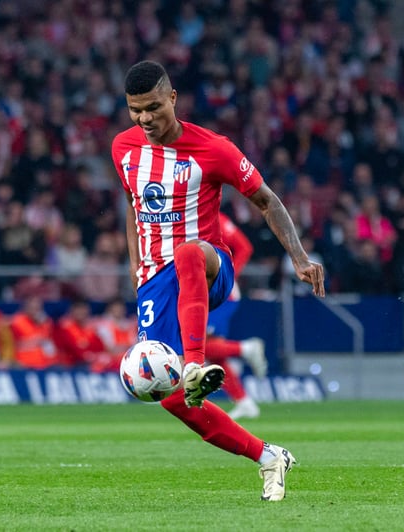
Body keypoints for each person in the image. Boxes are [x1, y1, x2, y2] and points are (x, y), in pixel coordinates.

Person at [111, 61, 325, 501]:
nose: (145, 118)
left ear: (173, 98)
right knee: (173, 400)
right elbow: (133, 207)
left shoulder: (214, 149)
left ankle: (194, 364)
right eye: (136, 110)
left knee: (188, 252)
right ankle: (268, 456)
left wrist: (300, 258)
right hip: (155, 283)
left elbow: (266, 201)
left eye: (153, 107)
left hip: (209, 267)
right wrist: (136, 270)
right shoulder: (123, 148)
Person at [206, 213, 268, 420]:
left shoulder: (216, 218)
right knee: (213, 353)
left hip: (221, 294)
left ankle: (247, 348)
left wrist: (229, 276)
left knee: (199, 344)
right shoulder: (186, 215)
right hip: (205, 293)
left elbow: (244, 247)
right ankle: (244, 402)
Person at [9, 295, 58, 370]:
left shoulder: (46, 323)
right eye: (32, 308)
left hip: (45, 365)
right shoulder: (17, 322)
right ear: (26, 308)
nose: (35, 311)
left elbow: (49, 343)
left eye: (38, 308)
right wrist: (35, 341)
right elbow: (13, 344)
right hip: (24, 365)